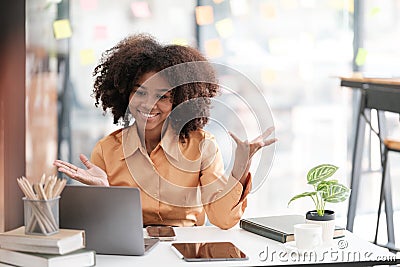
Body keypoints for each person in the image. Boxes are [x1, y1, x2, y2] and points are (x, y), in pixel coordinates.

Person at [54, 34, 277, 230]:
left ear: (180, 100)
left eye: (163, 97)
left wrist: (240, 165)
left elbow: (223, 219)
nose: (149, 104)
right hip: (131, 255)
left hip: (185, 250)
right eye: (140, 93)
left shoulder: (202, 146)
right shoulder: (107, 150)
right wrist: (103, 191)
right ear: (125, 94)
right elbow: (100, 227)